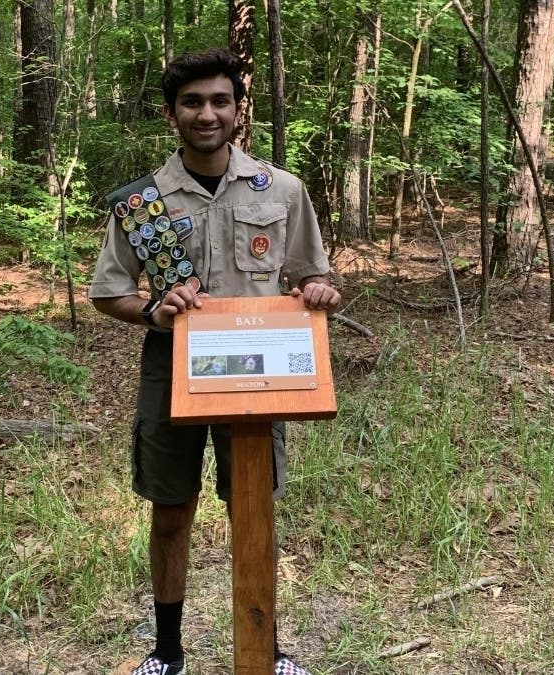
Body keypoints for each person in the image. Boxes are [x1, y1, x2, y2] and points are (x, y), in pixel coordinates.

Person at [89, 48, 341, 675]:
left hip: (262, 371)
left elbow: (314, 274)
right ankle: (167, 653)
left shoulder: (280, 189)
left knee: (253, 508)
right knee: (170, 510)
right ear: (172, 112)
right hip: (173, 369)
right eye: (193, 102)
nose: (207, 114)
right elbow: (107, 290)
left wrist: (317, 292)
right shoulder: (144, 203)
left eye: (219, 101)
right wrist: (153, 311)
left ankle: (267, 649)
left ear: (237, 109)